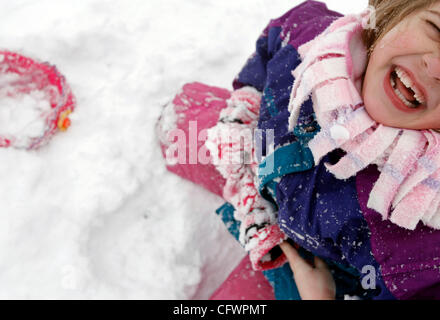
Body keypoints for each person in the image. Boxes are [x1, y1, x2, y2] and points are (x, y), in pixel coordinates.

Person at [156, 0, 440, 300]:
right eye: (435, 28)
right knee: (180, 122)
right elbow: (271, 47)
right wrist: (246, 107)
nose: (436, 67)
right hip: (260, 158)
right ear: (397, 10)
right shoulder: (310, 40)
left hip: (316, 276)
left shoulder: (419, 236)